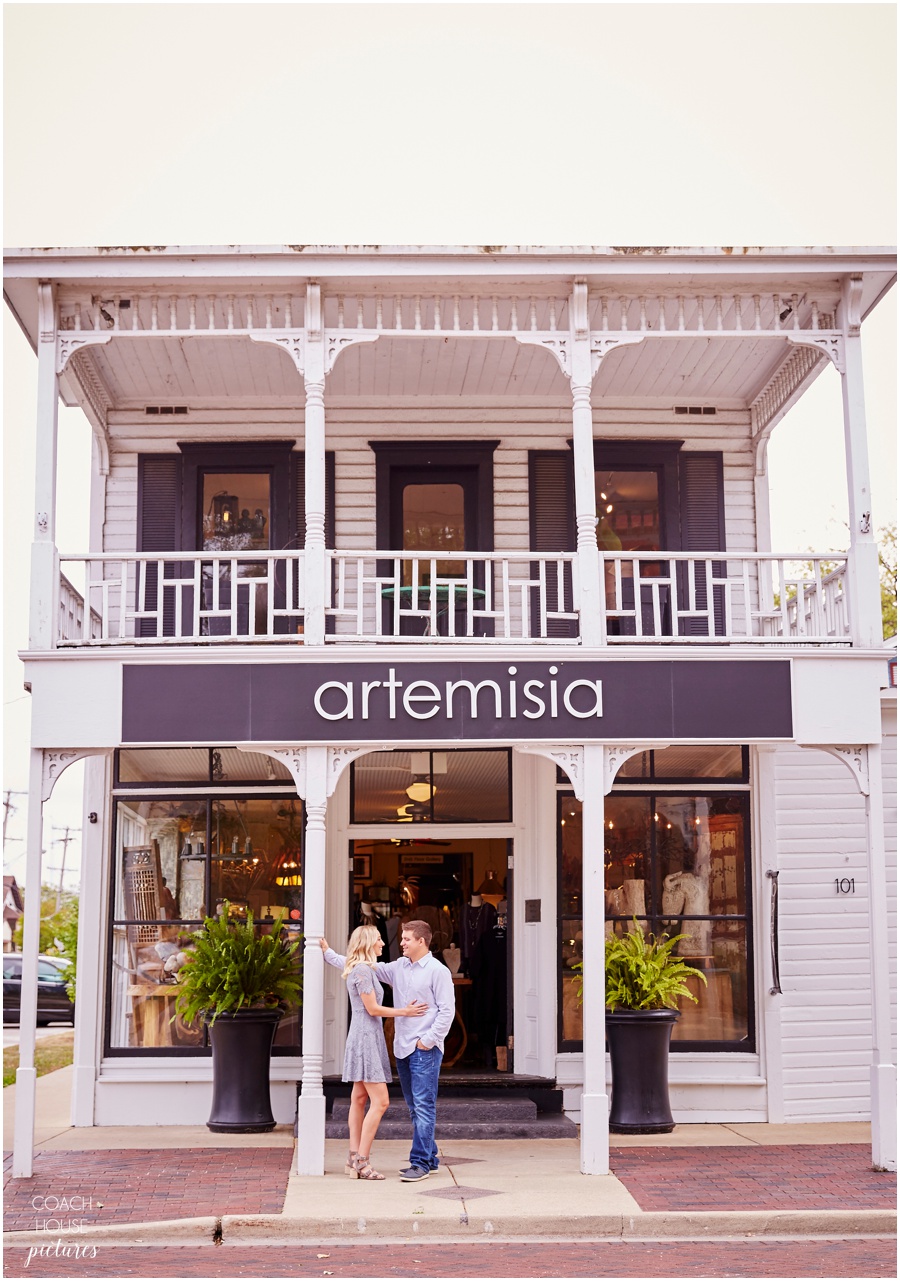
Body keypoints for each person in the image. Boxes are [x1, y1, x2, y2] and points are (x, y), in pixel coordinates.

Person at [322, 918, 455, 1182]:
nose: (400, 943)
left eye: (406, 939)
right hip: (402, 1048)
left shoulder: (438, 971)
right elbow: (358, 966)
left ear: (421, 941)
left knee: (424, 1106)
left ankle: (420, 1164)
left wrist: (427, 1041)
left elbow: (447, 1011)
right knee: (415, 1107)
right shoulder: (398, 967)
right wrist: (327, 953)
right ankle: (429, 1157)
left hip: (424, 1048)